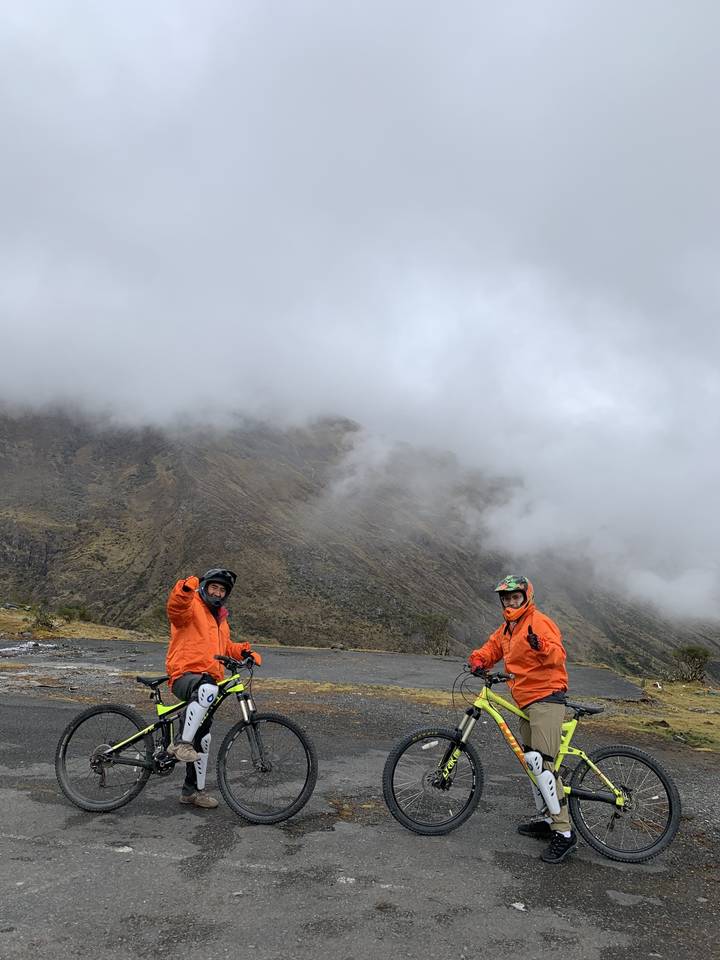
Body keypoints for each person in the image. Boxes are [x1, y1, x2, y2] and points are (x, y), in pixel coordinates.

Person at [467, 575, 577, 864]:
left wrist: (540, 645)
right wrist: (478, 660)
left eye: (515, 596)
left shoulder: (538, 622)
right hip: (525, 700)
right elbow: (492, 649)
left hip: (546, 698)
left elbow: (558, 655)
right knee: (531, 762)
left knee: (543, 766)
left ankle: (564, 834)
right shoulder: (507, 628)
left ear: (526, 596)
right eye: (506, 597)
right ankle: (548, 819)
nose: (510, 601)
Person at [166, 568, 262, 809]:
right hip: (184, 674)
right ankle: (180, 743)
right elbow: (175, 610)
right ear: (205, 587)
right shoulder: (191, 606)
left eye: (222, 590)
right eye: (214, 587)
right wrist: (184, 590)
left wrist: (244, 651)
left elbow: (225, 646)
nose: (218, 592)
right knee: (207, 689)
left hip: (208, 680)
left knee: (204, 737)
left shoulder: (220, 618)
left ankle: (192, 792)